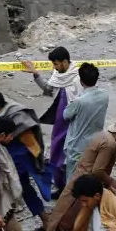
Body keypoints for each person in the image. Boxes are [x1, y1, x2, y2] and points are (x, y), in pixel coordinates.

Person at [0, 89, 52, 231]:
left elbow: (31, 141)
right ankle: (44, 219)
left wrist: (37, 160)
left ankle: (45, 220)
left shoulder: (16, 114)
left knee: (20, 189)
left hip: (19, 160)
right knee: (20, 190)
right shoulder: (2, 113)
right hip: (10, 158)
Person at [23, 46, 79, 195]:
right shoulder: (58, 76)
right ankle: (61, 186)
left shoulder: (78, 78)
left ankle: (71, 188)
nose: (54, 67)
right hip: (60, 125)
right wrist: (35, 74)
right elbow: (48, 89)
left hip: (74, 124)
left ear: (65, 62)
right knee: (56, 153)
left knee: (72, 156)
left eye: (56, 64)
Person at [62, 63, 109, 182]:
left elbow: (66, 115)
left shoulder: (79, 101)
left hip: (77, 146)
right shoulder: (104, 95)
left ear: (81, 81)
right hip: (96, 142)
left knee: (73, 180)